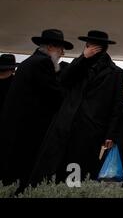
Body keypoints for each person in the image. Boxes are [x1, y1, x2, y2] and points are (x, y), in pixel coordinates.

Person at [30, 30, 123, 185]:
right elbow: (64, 79)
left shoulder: (115, 73)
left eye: (94, 45)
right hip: (69, 124)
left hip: (93, 128)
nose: (90, 47)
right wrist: (82, 58)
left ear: (103, 48)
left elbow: (116, 105)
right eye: (89, 45)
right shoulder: (80, 64)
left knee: (85, 168)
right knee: (62, 165)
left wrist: (111, 134)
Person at [0, 29, 72, 191]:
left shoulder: (30, 61)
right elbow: (54, 95)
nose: (62, 54)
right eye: (61, 49)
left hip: (17, 128)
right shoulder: (42, 63)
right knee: (21, 172)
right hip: (26, 130)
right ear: (52, 47)